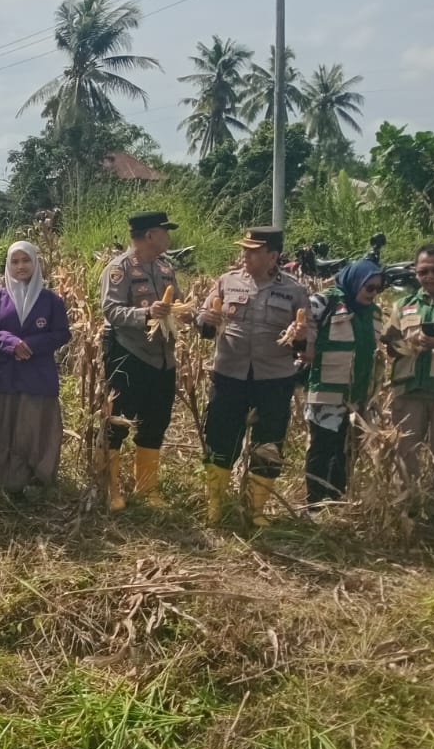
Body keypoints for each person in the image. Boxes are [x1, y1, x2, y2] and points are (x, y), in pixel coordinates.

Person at [197, 226, 312, 526]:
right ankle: (216, 504)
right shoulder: (227, 282)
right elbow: (205, 326)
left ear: (272, 256)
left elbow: (305, 345)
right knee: (220, 438)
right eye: (244, 249)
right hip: (229, 374)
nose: (245, 255)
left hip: (273, 379)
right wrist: (205, 319)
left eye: (253, 251)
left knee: (268, 443)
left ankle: (255, 509)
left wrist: (299, 336)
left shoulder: (294, 290)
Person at [98, 210, 182, 510]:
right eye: (165, 231)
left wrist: (190, 313)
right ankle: (110, 488)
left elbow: (178, 304)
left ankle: (147, 489)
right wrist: (146, 313)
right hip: (129, 353)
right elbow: (111, 311)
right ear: (150, 235)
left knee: (155, 421)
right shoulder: (119, 269)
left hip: (162, 359)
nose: (169, 237)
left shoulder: (164, 268)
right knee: (117, 422)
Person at [0, 241, 72, 498]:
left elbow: (62, 333)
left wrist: (30, 345)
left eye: (26, 261)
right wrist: (11, 343)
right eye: (15, 261)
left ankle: (38, 481)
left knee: (36, 429)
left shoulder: (51, 300)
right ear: (8, 265)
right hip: (5, 376)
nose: (21, 266)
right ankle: (8, 482)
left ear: (36, 263)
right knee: (4, 429)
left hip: (38, 376)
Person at [386, 243, 434, 516]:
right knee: (404, 452)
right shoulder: (403, 305)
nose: (429, 276)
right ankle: (406, 510)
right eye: (422, 272)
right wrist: (406, 343)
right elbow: (389, 346)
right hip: (409, 389)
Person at [303, 258, 384, 507]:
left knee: (346, 450)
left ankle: (337, 501)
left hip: (357, 397)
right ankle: (314, 503)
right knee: (322, 447)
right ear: (354, 282)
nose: (373, 294)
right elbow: (300, 327)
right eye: (368, 287)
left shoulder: (374, 314)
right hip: (326, 394)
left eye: (377, 289)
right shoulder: (324, 302)